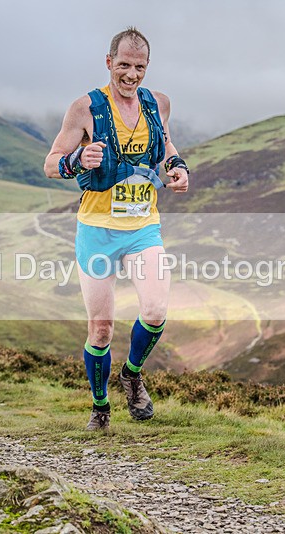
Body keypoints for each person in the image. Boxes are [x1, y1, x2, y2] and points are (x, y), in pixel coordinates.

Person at [44, 27, 190, 431]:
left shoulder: (158, 103)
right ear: (109, 63)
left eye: (139, 67)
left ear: (147, 66)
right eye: (123, 65)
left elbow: (166, 144)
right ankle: (100, 406)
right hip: (97, 229)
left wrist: (177, 167)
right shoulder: (85, 109)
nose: (131, 74)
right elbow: (51, 163)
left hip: (143, 226)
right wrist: (76, 160)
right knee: (101, 329)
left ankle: (132, 375)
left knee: (155, 312)